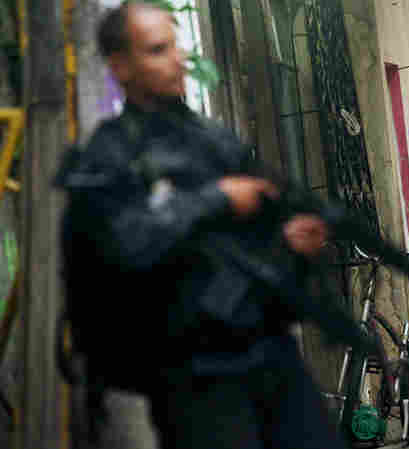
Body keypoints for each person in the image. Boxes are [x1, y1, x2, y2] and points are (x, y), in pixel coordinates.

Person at [55, 3, 349, 448]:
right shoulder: (109, 155)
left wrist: (287, 242)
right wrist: (217, 198)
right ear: (121, 67)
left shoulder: (211, 138)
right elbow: (124, 245)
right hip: (195, 377)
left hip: (270, 355)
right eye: (157, 50)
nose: (177, 59)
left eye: (175, 45)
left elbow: (240, 246)